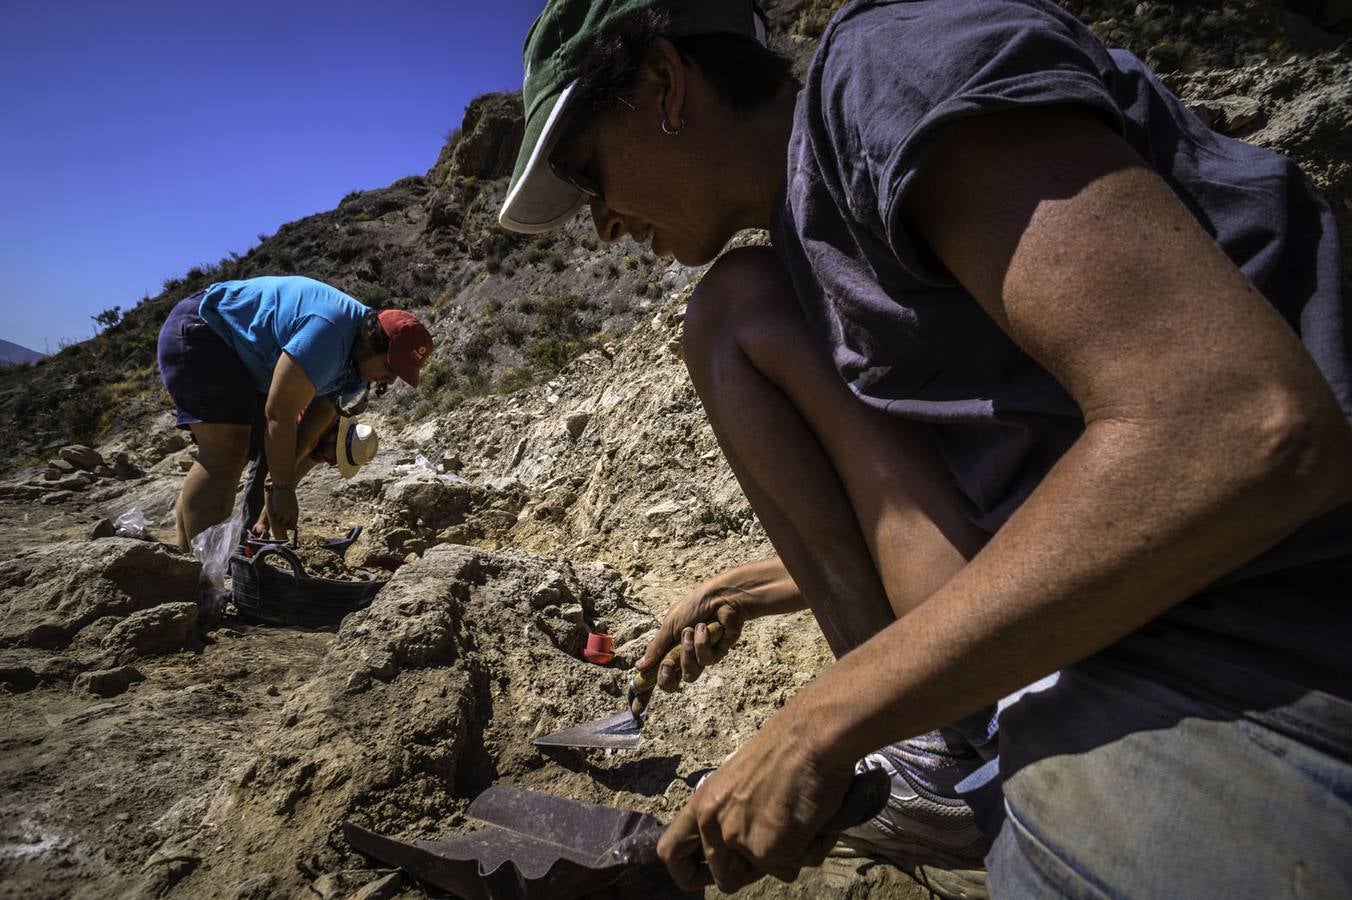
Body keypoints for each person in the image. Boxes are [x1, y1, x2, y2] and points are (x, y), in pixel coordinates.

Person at [499, 1, 1352, 897]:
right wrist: (746, 587)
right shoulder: (806, 245)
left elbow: (1233, 426)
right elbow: (1020, 471)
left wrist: (821, 722)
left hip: (1272, 625)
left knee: (1060, 867)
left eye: (590, 172)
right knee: (732, 314)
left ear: (664, 84)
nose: (601, 222)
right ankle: (948, 752)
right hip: (1121, 604)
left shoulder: (883, 74)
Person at [156, 275, 432, 549]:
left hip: (237, 358)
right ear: (373, 341)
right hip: (203, 329)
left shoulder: (358, 368)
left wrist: (277, 487)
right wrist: (284, 489)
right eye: (391, 367)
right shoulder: (329, 334)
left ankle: (188, 566)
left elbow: (318, 418)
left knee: (234, 455)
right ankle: (202, 576)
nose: (392, 379)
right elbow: (279, 414)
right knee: (227, 451)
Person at [246, 412, 381, 537]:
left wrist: (264, 521)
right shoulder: (313, 432)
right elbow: (273, 481)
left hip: (280, 436)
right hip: (263, 421)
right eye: (338, 457)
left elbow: (291, 479)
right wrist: (279, 540)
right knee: (254, 498)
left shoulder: (326, 445)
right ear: (334, 439)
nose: (332, 462)